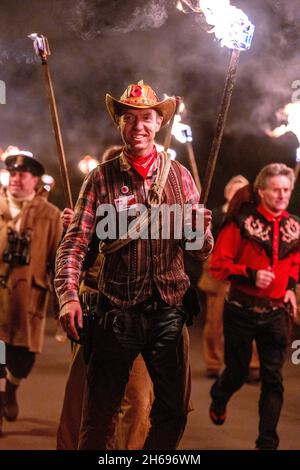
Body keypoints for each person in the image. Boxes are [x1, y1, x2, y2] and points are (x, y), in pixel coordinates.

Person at [55, 80, 213, 450]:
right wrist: (68, 296)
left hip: (169, 311)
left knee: (172, 411)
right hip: (116, 312)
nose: (138, 126)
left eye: (146, 118)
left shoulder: (181, 177)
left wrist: (199, 231)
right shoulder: (101, 178)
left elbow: (200, 250)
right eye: (130, 118)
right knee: (99, 414)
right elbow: (73, 246)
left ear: (159, 123)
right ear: (120, 124)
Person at [208, 163, 300, 450]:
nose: (283, 195)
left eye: (287, 189)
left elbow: (296, 264)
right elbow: (217, 265)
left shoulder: (294, 225)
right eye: (276, 190)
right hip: (241, 310)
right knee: (236, 371)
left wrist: (289, 290)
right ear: (262, 191)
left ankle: (267, 442)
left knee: (273, 378)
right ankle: (220, 394)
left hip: (275, 313)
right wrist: (250, 273)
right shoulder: (240, 222)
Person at [0, 149, 62, 436]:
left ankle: (11, 388)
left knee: (22, 359)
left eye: (22, 174)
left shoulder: (51, 215)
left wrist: (65, 301)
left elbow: (59, 261)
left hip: (28, 298)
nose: (15, 178)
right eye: (12, 173)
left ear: (35, 180)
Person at [198, 175, 260, 381]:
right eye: (235, 190)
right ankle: (214, 363)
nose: (239, 194)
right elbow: (203, 244)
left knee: (249, 319)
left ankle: (251, 364)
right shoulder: (215, 215)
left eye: (243, 191)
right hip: (217, 273)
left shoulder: (254, 218)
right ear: (228, 193)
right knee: (215, 322)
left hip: (244, 272)